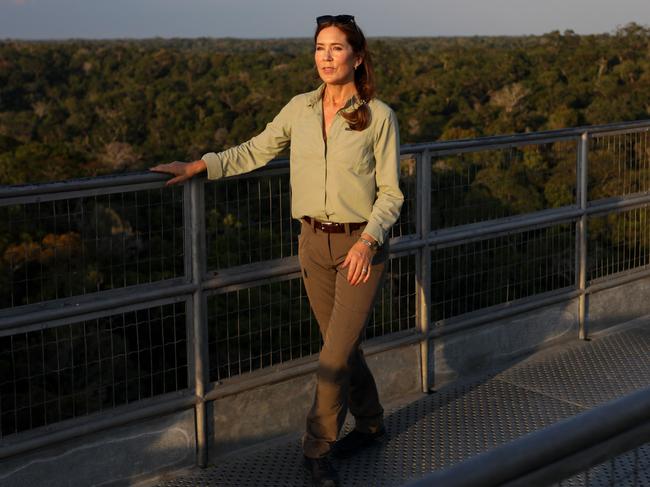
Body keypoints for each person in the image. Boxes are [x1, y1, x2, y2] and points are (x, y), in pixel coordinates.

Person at [150, 14, 403, 487]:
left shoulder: (378, 116)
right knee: (341, 348)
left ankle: (317, 446)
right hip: (312, 243)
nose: (326, 56)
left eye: (337, 48)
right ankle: (370, 424)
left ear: (358, 56)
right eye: (320, 48)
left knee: (333, 355)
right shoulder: (299, 109)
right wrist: (202, 164)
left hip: (359, 246)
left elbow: (391, 193)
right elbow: (254, 150)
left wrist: (369, 242)